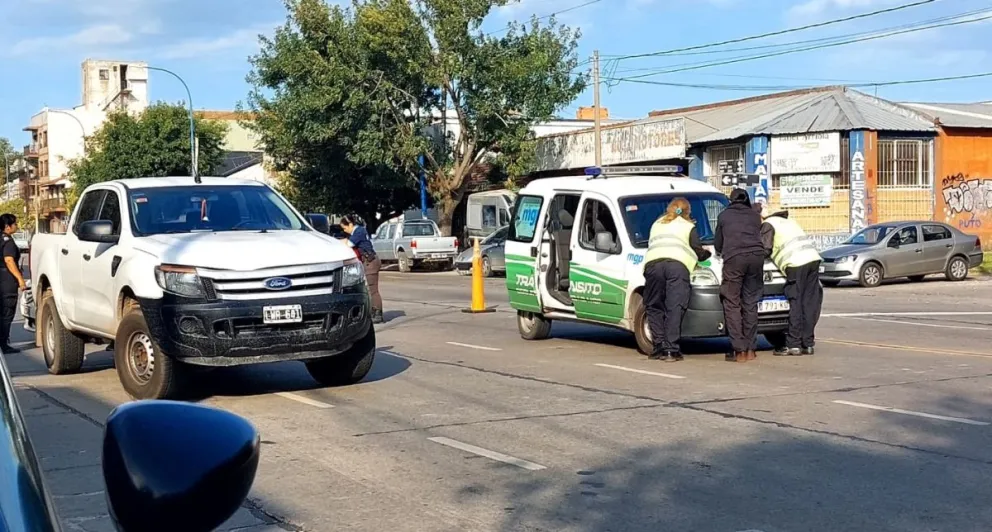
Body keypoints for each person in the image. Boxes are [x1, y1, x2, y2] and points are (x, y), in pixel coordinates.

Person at [642, 198, 711, 362]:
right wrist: (706, 253)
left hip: (653, 265)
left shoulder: (657, 223)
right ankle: (671, 350)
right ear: (688, 211)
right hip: (677, 267)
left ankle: (657, 346)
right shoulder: (688, 227)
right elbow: (698, 252)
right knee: (675, 306)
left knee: (653, 305)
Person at [759, 204, 823, 356]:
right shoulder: (789, 222)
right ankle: (807, 344)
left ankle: (793, 344)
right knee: (809, 303)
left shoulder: (769, 224)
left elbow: (765, 248)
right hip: (813, 260)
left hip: (795, 264)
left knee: (795, 302)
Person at [714, 189, 765, 363]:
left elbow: (718, 244)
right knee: (750, 303)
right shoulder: (753, 215)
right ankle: (751, 349)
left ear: (731, 200)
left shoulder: (724, 216)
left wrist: (721, 252)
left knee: (732, 302)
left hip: (734, 258)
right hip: (757, 257)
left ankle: (739, 350)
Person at [340, 215, 383, 324]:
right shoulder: (359, 231)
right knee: (369, 289)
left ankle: (378, 313)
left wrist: (342, 242)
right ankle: (373, 310)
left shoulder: (359, 231)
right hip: (368, 261)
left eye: (345, 228)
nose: (345, 231)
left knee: (373, 290)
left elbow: (349, 244)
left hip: (370, 261)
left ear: (350, 224)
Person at [0, 214, 25, 353]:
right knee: (7, 312)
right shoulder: (8, 242)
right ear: (7, 227)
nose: (17, 226)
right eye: (15, 224)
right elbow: (9, 260)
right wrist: (20, 279)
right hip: (7, 280)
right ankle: (3, 344)